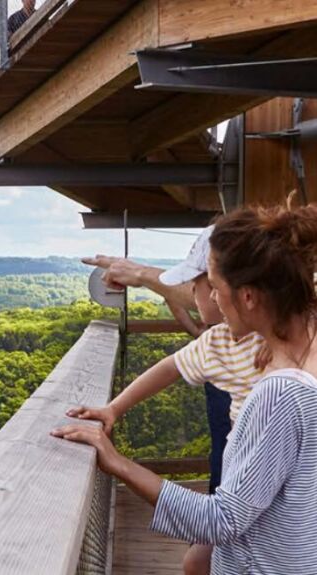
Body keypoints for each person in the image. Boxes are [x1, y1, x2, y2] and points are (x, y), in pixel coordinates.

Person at [54, 204, 317, 574]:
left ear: (248, 297)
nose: (209, 299)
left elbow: (221, 521)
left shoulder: (280, 394)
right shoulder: (302, 354)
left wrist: (119, 464)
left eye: (215, 286)